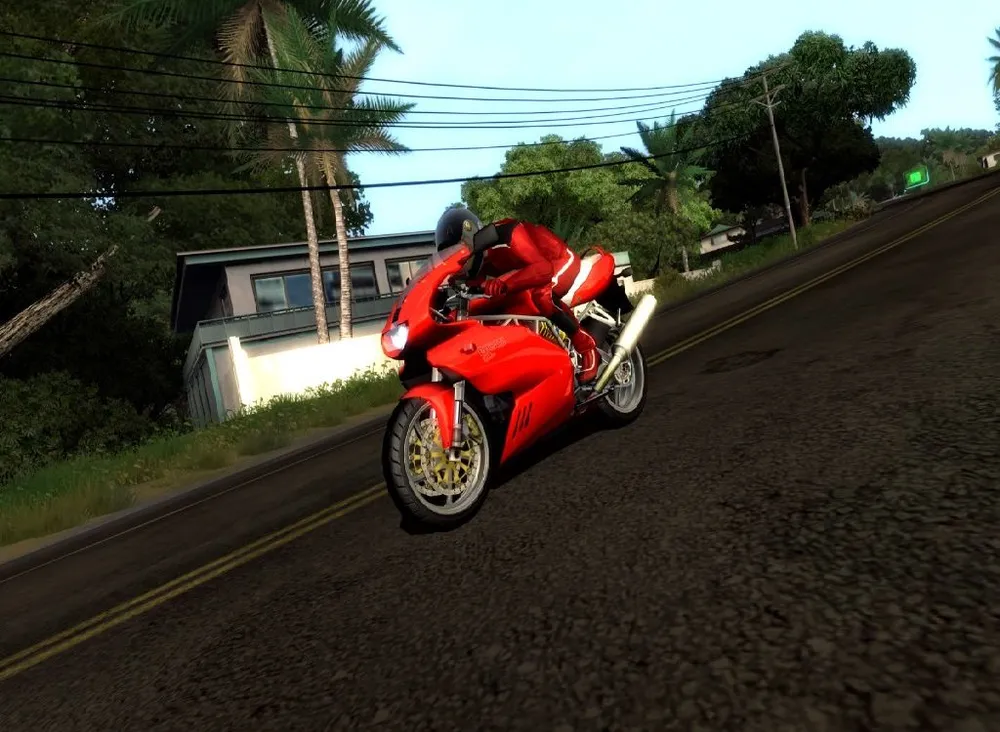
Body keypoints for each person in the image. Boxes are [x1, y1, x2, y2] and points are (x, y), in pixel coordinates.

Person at [433, 207, 600, 383]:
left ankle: (587, 347)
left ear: (470, 235)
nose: (458, 257)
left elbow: (543, 269)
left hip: (557, 261)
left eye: (457, 248)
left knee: (542, 295)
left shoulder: (506, 233)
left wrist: (505, 284)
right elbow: (475, 288)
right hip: (529, 272)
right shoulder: (476, 262)